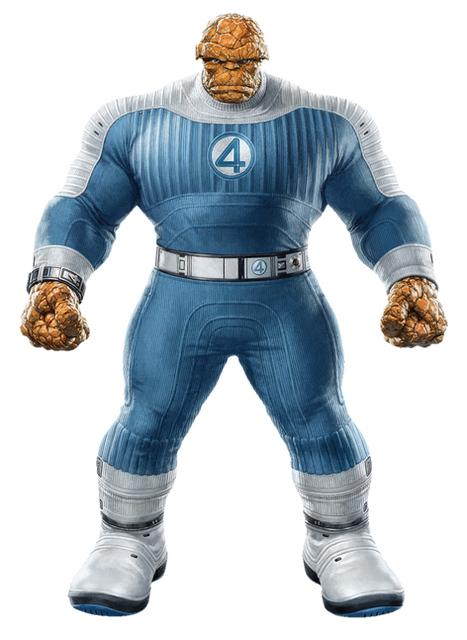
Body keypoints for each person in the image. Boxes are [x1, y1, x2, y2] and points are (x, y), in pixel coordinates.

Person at [16, 8, 451, 623]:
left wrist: (411, 278)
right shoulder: (130, 118)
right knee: (146, 416)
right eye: (219, 62)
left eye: (244, 63)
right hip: (178, 295)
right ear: (198, 57)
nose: (231, 75)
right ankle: (126, 538)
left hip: (286, 296)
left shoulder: (331, 117)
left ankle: (342, 537)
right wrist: (56, 282)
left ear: (265, 58)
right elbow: (83, 208)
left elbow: (380, 208)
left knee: (320, 415)